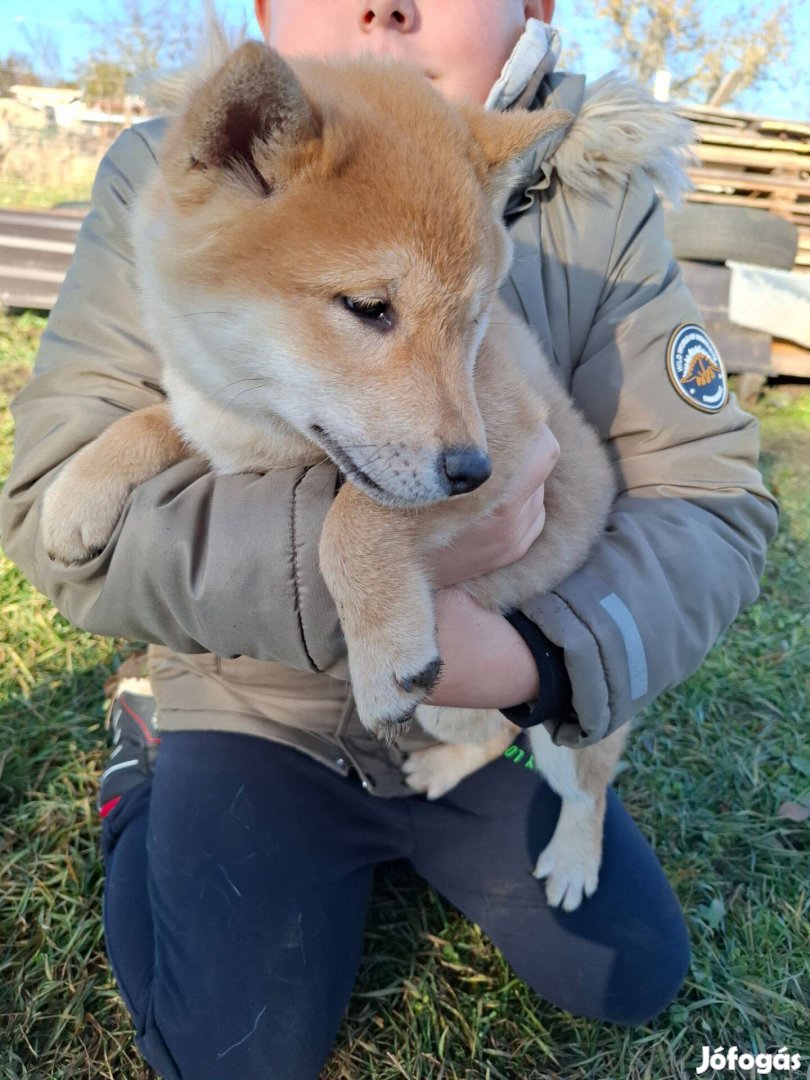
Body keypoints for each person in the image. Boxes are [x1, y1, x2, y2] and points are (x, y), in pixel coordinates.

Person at [0, 2, 778, 1077]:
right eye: (372, 305)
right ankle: (147, 753)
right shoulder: (178, 177)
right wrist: (353, 552)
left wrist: (542, 662)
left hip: (490, 697)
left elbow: (707, 498)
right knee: (229, 1051)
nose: (388, 5)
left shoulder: (593, 205)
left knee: (628, 971)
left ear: (533, 12)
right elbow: (77, 504)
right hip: (250, 695)